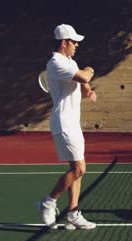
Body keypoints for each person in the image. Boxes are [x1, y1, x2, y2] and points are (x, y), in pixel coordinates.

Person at [38, 24, 98, 230]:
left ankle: (73, 212)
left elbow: (82, 84)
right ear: (64, 43)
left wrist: (88, 91)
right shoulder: (55, 63)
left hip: (73, 122)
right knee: (79, 169)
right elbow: (83, 76)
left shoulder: (69, 61)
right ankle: (48, 202)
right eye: (74, 42)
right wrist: (89, 71)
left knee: (77, 169)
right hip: (63, 122)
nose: (77, 45)